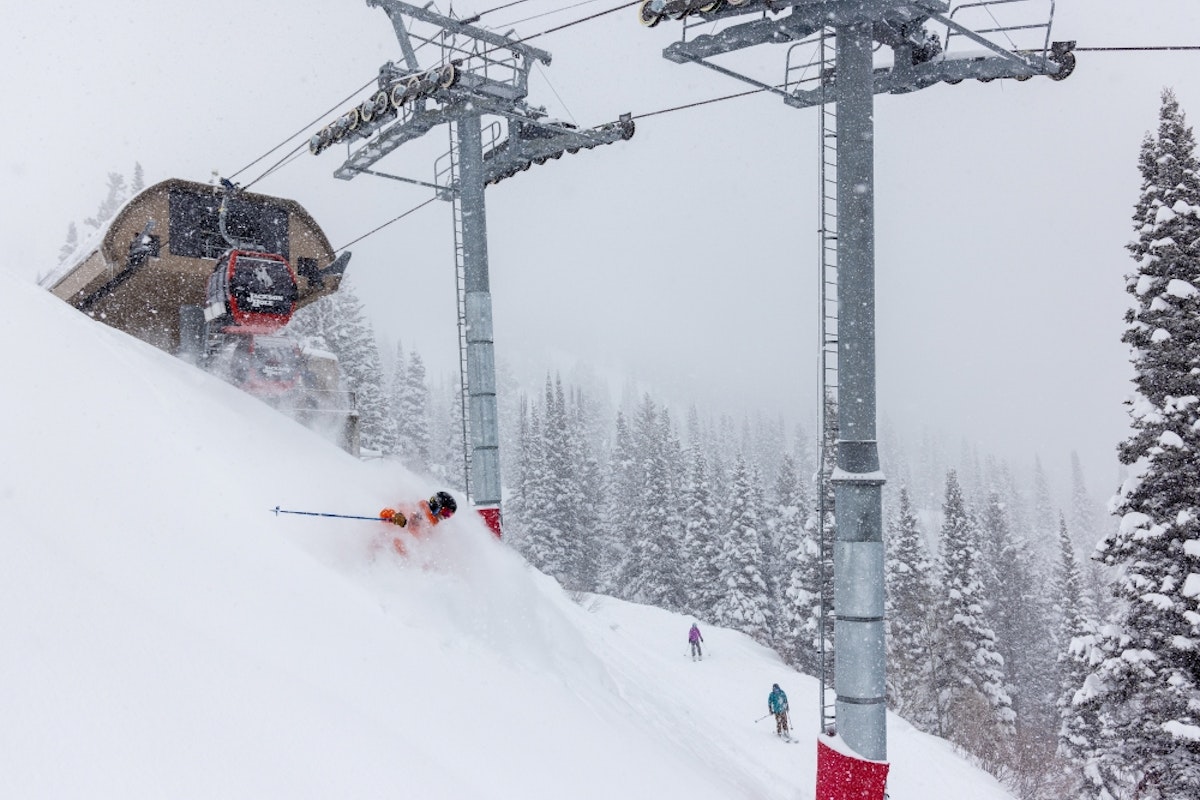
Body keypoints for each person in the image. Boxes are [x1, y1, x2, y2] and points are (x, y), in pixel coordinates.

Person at [379, 491, 458, 555]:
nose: (445, 517)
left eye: (449, 515)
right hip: (387, 550)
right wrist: (394, 516)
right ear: (437, 506)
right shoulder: (416, 510)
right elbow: (384, 514)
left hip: (407, 563)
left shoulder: (434, 529)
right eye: (446, 512)